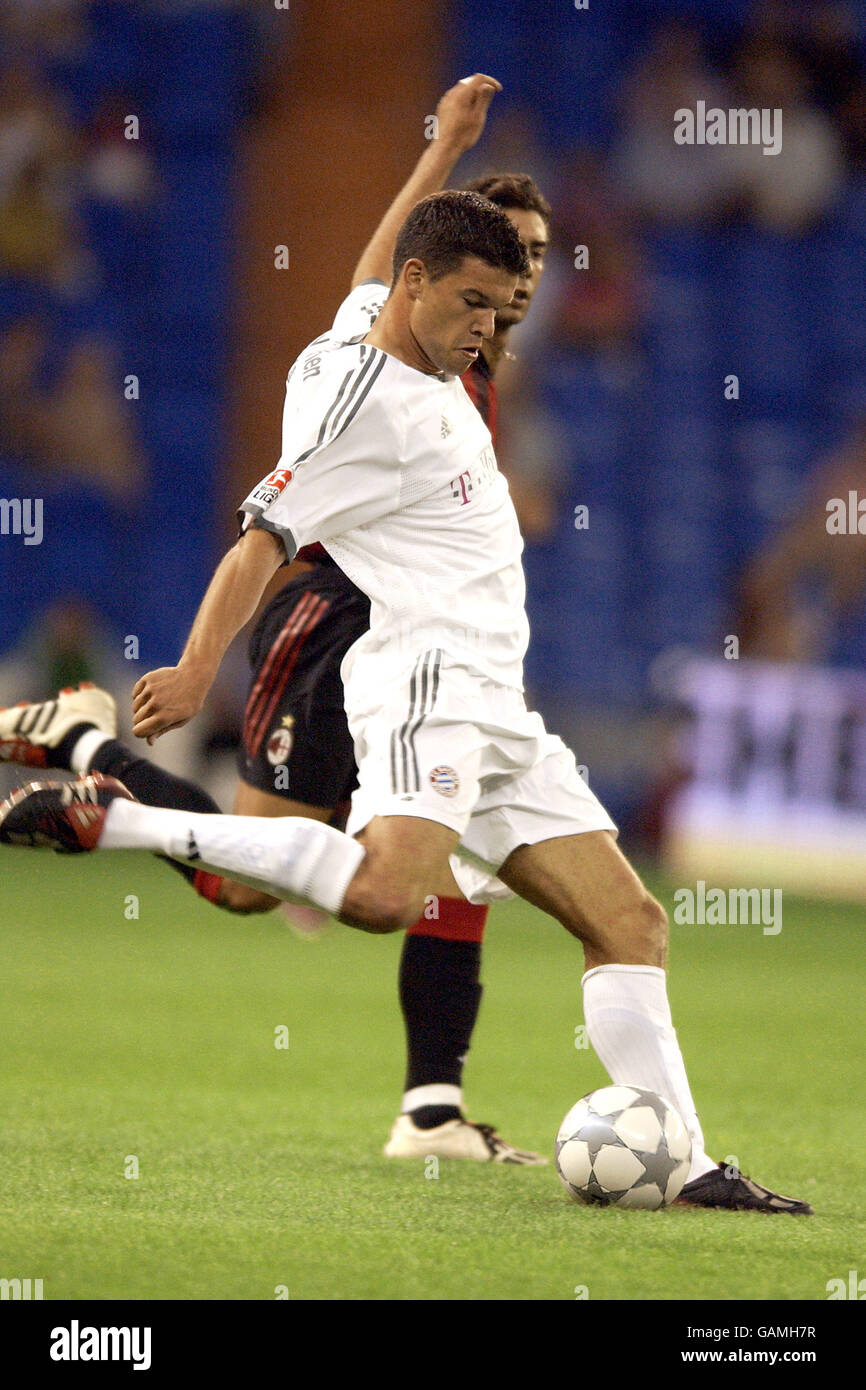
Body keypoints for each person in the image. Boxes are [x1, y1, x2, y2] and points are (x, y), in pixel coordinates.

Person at [1, 172, 811, 1215]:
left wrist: (445, 154)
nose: (487, 328)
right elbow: (260, 544)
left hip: (495, 705)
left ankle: (688, 1162)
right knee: (386, 894)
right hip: (424, 678)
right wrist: (199, 667)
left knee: (630, 921)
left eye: (500, 308)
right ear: (416, 283)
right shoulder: (355, 409)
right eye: (472, 302)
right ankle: (115, 819)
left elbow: (367, 263)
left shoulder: (369, 327)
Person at [0, 77, 555, 1165]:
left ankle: (430, 1109)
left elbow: (372, 283)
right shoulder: (387, 360)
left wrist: (441, 144)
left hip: (430, 650)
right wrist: (434, 156)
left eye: (538, 261)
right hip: (332, 624)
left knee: (454, 864)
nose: (527, 285)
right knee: (251, 885)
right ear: (439, 276)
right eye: (511, 262)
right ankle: (86, 747)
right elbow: (363, 288)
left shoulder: (474, 362)